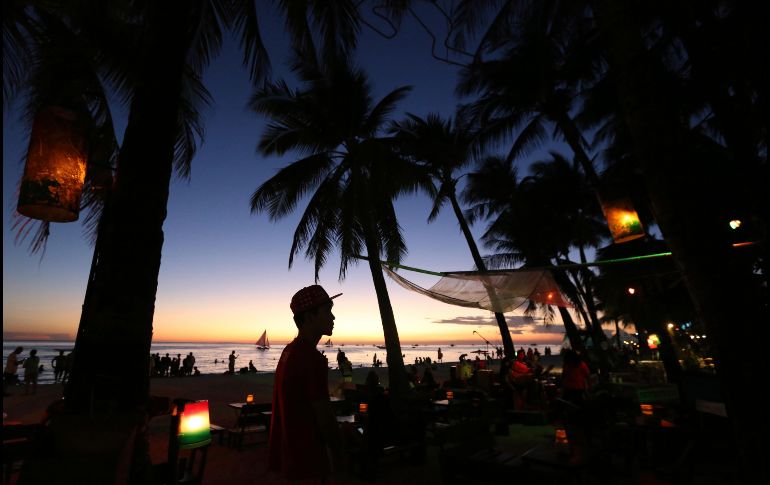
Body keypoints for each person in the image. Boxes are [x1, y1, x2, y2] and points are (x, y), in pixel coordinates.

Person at [268, 284, 346, 482]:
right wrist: (340, 455)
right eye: (327, 310)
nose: (333, 317)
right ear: (310, 316)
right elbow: (324, 418)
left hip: (289, 454)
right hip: (308, 458)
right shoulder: (310, 359)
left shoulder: (289, 351)